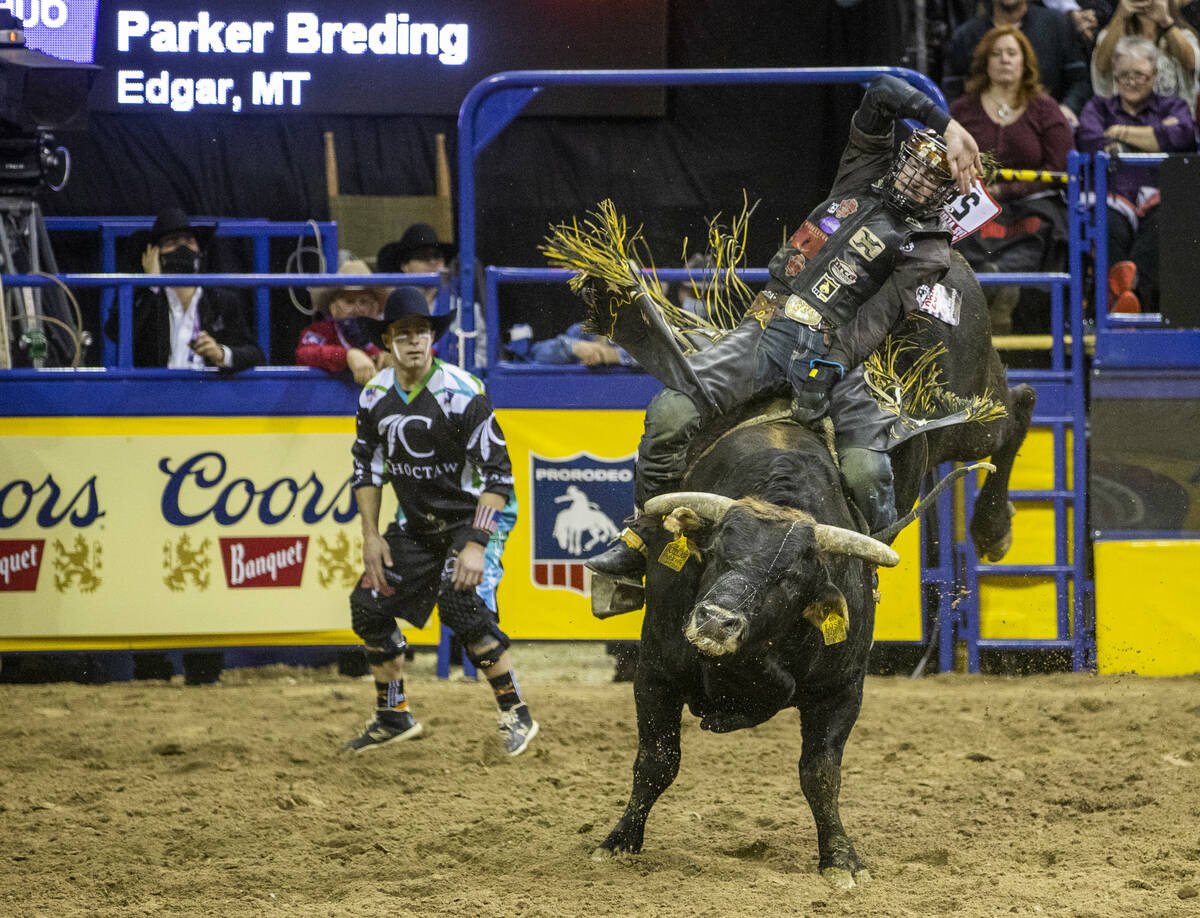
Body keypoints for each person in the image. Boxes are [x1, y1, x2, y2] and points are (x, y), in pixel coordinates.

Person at [587, 74, 983, 580]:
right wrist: (946, 125)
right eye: (915, 166)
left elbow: (878, 316)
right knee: (668, 413)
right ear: (899, 157)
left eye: (933, 179)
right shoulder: (862, 173)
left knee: (869, 471)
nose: (917, 180)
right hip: (767, 325)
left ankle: (863, 567)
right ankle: (643, 535)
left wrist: (832, 364)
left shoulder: (929, 246)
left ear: (946, 194)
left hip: (838, 351)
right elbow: (882, 91)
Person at [342, 286, 538, 756]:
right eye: (404, 333)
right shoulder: (374, 398)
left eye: (422, 331)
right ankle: (394, 715)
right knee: (369, 605)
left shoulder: (462, 393)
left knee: (461, 603)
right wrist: (370, 536)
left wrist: (476, 544)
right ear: (387, 340)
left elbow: (498, 475)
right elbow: (366, 469)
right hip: (417, 522)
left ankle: (517, 713)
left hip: (474, 517)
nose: (414, 341)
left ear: (433, 337)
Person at [949, 26, 1075, 332]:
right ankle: (990, 298)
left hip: (1032, 204)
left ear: (1025, 62)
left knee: (1039, 234)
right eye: (996, 54)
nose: (1004, 60)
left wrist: (1007, 188)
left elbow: (1059, 169)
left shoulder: (1045, 108)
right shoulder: (963, 109)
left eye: (1012, 53)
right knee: (961, 238)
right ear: (985, 63)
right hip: (975, 201)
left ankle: (998, 290)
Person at [1077, 34, 1198, 313]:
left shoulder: (1174, 106)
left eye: (1140, 75)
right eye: (1124, 75)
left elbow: (1180, 136)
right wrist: (1155, 135)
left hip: (1160, 198)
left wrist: (1120, 133)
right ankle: (1127, 301)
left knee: (1167, 221)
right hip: (1111, 197)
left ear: (1154, 75)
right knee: (1107, 224)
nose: (1131, 81)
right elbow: (1090, 139)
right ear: (1115, 77)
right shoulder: (1098, 106)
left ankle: (1125, 299)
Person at [103, 207, 264, 370]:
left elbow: (255, 355)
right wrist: (152, 284)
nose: (182, 247)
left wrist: (221, 354)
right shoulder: (140, 296)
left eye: (189, 241)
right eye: (172, 242)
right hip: (154, 393)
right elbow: (115, 333)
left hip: (207, 393)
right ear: (154, 253)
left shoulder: (220, 301)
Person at [943, 0, 1094, 122]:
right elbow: (952, 90)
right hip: (981, 131)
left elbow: (1080, 80)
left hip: (1045, 127)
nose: (1004, 59)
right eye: (996, 53)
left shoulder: (1057, 24)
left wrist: (1067, 108)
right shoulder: (966, 35)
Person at [377, 222, 487, 369]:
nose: (433, 262)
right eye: (422, 257)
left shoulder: (468, 311)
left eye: (438, 256)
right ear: (405, 266)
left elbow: (484, 357)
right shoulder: (386, 309)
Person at [296, 258, 390, 384]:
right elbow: (304, 354)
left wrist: (396, 360)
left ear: (377, 308)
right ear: (333, 308)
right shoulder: (321, 330)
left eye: (364, 302)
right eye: (349, 302)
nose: (357, 309)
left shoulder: (389, 334)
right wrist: (348, 356)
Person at [1091, 0, 1200, 106]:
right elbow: (1101, 68)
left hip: (1171, 119)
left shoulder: (1183, 35)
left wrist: (1165, 22)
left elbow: (1192, 65)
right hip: (1124, 119)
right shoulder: (1112, 34)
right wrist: (1120, 16)